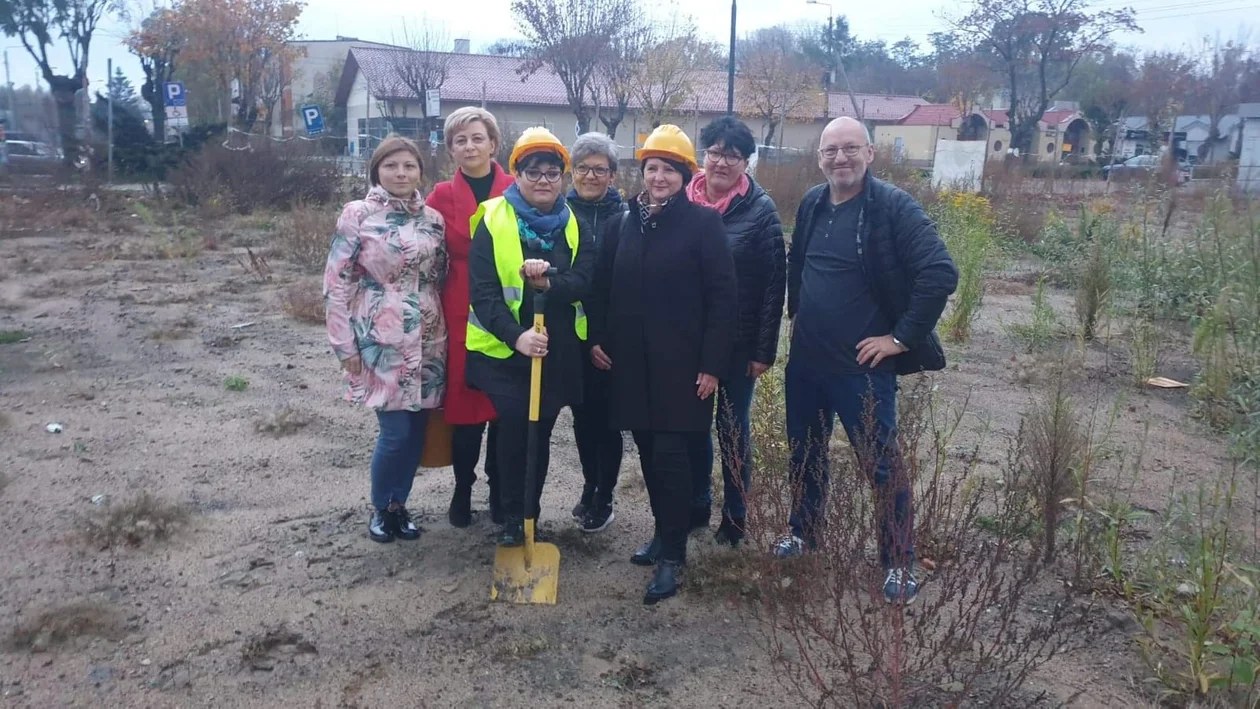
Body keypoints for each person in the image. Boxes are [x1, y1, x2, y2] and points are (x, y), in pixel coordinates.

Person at [778, 117, 958, 605]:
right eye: (831, 150)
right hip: (807, 365)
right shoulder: (815, 202)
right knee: (805, 455)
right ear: (819, 157)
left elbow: (940, 272)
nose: (840, 158)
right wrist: (799, 314)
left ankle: (899, 562)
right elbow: (800, 264)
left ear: (870, 153)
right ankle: (804, 532)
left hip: (861, 371)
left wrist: (899, 338)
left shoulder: (893, 208)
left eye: (850, 149)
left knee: (880, 466)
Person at [588, 125, 737, 604]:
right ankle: (660, 533)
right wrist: (596, 338)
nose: (658, 177)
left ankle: (673, 555)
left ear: (683, 175)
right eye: (651, 168)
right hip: (631, 365)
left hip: (683, 368)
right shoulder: (622, 224)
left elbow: (723, 300)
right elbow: (602, 290)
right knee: (649, 456)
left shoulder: (703, 225)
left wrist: (713, 364)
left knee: (673, 458)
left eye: (668, 170)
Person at [466, 127, 596, 547]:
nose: (544, 180)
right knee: (514, 429)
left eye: (553, 172)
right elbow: (484, 293)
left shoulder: (573, 223)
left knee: (535, 433)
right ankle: (507, 514)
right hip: (504, 353)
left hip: (554, 354)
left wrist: (549, 286)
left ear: (563, 176)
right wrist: (516, 337)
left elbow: (585, 279)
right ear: (516, 173)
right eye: (533, 171)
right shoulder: (492, 219)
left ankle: (527, 516)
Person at [324, 134, 448, 543]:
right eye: (392, 165)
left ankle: (400, 506)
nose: (401, 173)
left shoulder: (432, 219)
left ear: (420, 172)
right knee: (394, 433)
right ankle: (381, 506)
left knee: (416, 431)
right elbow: (336, 282)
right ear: (376, 169)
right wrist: (345, 346)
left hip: (428, 336)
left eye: (409, 166)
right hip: (379, 338)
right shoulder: (357, 214)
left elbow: (439, 274)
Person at [686, 116, 786, 547]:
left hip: (738, 343)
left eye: (732, 155)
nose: (721, 162)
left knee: (732, 429)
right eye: (714, 152)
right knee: (692, 427)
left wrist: (764, 349)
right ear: (702, 155)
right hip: (688, 340)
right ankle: (697, 503)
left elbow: (773, 285)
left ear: (746, 162)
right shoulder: (680, 201)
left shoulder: (761, 211)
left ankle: (736, 513)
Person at [428, 107, 514, 528]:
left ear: (493, 144)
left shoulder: (516, 188)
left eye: (477, 138)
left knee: (502, 406)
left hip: (506, 305)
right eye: (460, 140)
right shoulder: (440, 196)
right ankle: (462, 490)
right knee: (464, 408)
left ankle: (500, 492)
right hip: (459, 306)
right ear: (450, 150)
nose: (470, 146)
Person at [565, 132, 627, 534]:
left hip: (608, 336)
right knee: (581, 418)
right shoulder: (559, 212)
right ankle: (589, 483)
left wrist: (603, 336)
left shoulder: (626, 217)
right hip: (570, 335)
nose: (591, 176)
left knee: (606, 418)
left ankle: (605, 492)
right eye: (583, 168)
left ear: (613, 174)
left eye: (599, 169)